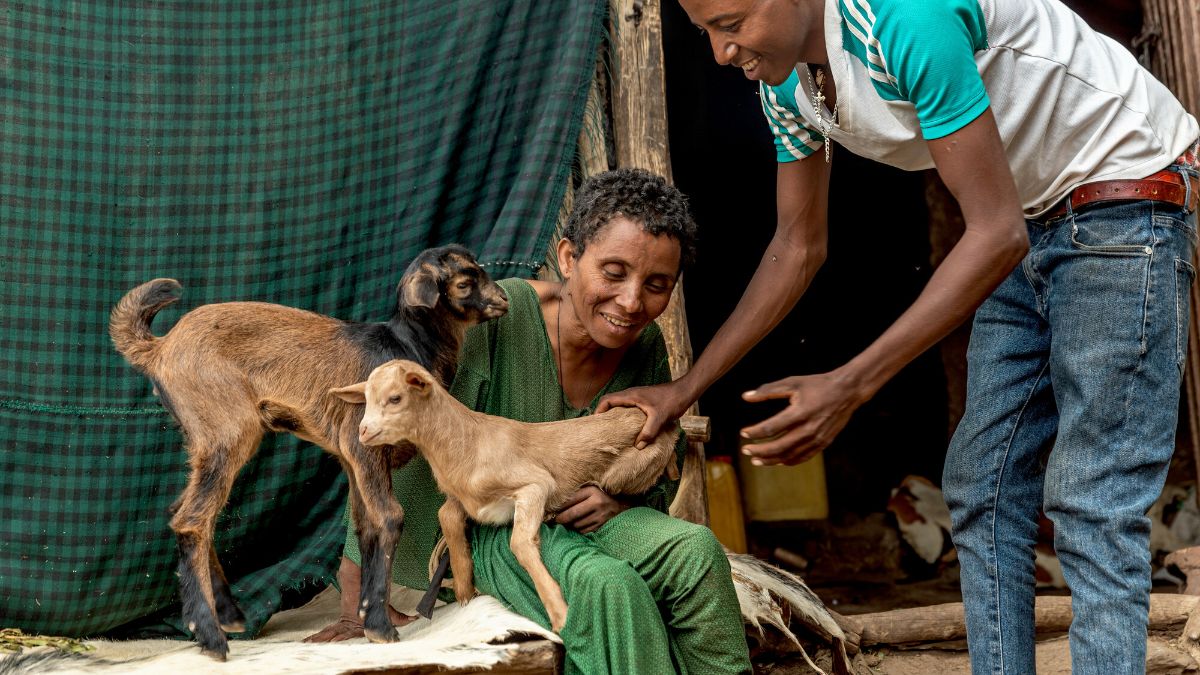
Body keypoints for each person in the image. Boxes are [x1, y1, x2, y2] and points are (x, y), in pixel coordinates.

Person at [598, 0, 1200, 673]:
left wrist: (851, 383)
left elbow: (992, 232)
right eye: (705, 31)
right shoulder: (787, 83)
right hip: (1029, 213)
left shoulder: (901, 19)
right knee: (982, 485)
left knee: (1092, 497)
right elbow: (797, 245)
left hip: (1122, 195)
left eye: (731, 24)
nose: (719, 52)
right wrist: (686, 388)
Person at [308, 168, 752, 675]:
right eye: (612, 272)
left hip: (603, 518)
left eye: (656, 285)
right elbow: (393, 445)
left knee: (697, 552)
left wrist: (617, 499)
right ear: (568, 257)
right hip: (500, 525)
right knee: (607, 588)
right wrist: (357, 593)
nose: (631, 302)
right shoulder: (497, 323)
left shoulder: (645, 345)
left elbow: (650, 452)